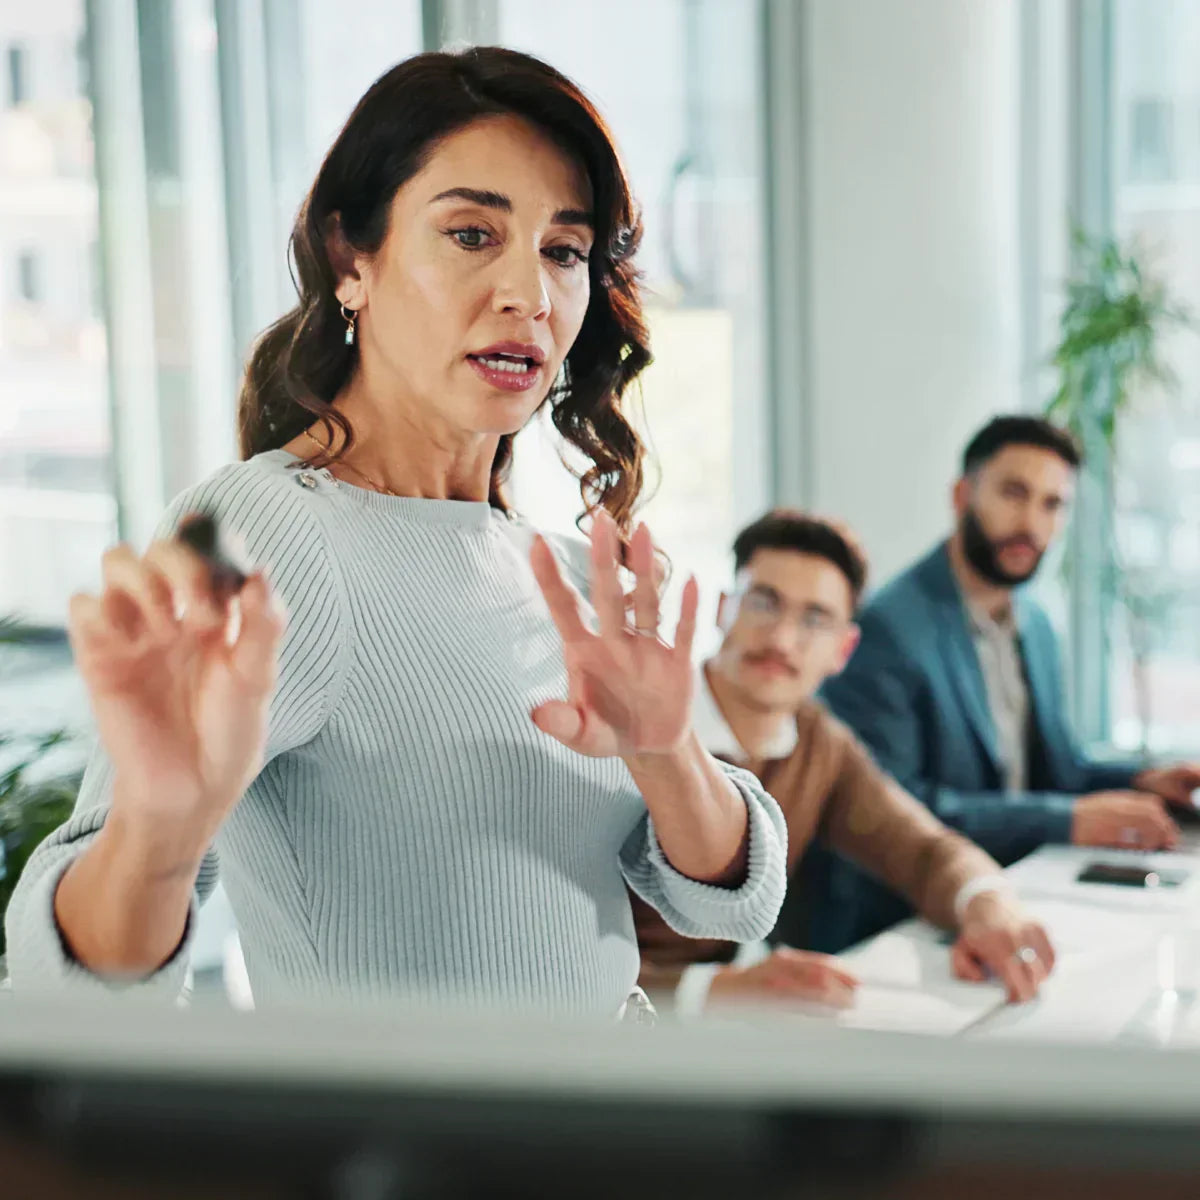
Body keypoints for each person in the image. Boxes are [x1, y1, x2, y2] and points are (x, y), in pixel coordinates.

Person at [4, 48, 787, 1017]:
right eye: (471, 233)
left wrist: (667, 750)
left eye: (564, 251)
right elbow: (70, 983)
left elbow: (740, 897)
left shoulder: (541, 564)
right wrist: (157, 837)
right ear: (351, 260)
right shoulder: (270, 530)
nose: (530, 296)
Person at [633, 510, 1055, 1015]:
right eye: (764, 602)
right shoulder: (634, 728)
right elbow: (548, 952)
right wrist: (711, 992)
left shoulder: (819, 742)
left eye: (815, 619)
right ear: (724, 608)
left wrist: (988, 905)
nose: (783, 640)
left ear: (844, 649)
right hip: (598, 1035)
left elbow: (924, 850)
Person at [816, 415, 1200, 951]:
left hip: (1021, 893)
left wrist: (1144, 781)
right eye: (1014, 493)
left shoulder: (1036, 624)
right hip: (902, 922)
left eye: (1052, 504)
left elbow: (1057, 771)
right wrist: (1068, 820)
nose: (1032, 524)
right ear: (961, 494)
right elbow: (899, 808)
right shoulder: (887, 629)